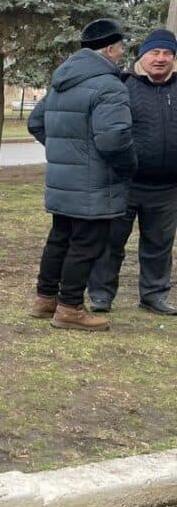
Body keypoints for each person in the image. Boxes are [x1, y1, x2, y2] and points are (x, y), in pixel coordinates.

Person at [28, 17, 136, 331]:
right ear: (111, 49)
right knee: (87, 244)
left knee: (60, 238)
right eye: (120, 50)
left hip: (64, 182)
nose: (120, 55)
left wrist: (67, 153)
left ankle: (45, 298)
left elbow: (36, 122)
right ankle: (70, 307)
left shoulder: (63, 80)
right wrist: (129, 167)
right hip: (95, 183)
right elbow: (114, 139)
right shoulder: (108, 84)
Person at [87, 27, 177, 315]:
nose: (161, 59)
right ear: (142, 56)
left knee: (159, 247)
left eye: (167, 53)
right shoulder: (122, 85)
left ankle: (153, 294)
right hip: (123, 182)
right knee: (110, 243)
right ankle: (101, 295)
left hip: (167, 187)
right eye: (155, 52)